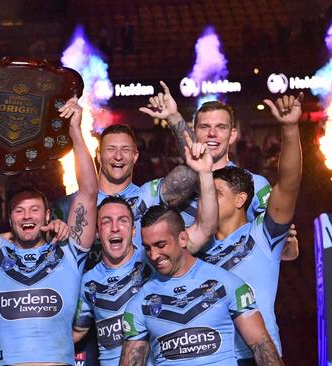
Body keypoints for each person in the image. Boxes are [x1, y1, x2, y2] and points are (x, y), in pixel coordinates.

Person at [0, 98, 98, 364]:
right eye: (19, 211)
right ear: (10, 219)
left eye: (34, 209)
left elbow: (89, 193)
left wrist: (75, 131)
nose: (27, 216)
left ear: (47, 215)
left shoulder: (69, 251)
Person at [73, 134, 218, 364]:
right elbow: (76, 332)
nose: (114, 228)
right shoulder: (87, 282)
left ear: (133, 230)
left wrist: (205, 173)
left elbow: (205, 228)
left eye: (122, 221)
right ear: (96, 233)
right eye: (106, 223)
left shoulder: (152, 266)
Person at [139, 81, 299, 261]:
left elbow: (288, 254)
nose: (212, 134)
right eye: (204, 127)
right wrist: (173, 116)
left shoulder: (254, 184)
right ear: (195, 132)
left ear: (232, 135)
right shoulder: (179, 182)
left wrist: (287, 243)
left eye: (221, 127)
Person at [198, 93, 304, 363]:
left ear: (240, 199)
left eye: (216, 193)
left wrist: (290, 129)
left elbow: (289, 184)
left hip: (259, 354)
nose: (207, 199)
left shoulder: (259, 235)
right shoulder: (193, 248)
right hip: (213, 356)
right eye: (204, 126)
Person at [120, 205, 283, 365]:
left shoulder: (227, 284)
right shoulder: (139, 305)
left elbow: (263, 350)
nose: (153, 255)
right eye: (147, 248)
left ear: (182, 239)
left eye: (160, 245)